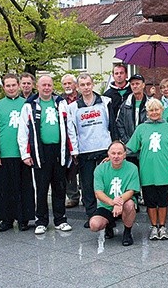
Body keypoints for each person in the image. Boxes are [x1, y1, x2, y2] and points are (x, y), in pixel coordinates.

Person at [17, 75, 76, 235]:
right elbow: (23, 131)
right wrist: (25, 154)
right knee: (41, 189)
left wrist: (74, 150)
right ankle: (41, 221)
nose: (47, 88)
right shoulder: (29, 105)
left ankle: (60, 220)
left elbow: (70, 126)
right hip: (39, 152)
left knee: (59, 187)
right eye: (43, 85)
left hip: (59, 151)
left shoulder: (61, 103)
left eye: (49, 85)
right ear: (38, 86)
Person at [126, 98, 168, 241]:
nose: (154, 112)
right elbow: (130, 147)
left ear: (162, 110)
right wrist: (116, 153)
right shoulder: (141, 128)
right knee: (151, 201)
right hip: (147, 171)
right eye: (151, 110)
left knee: (164, 201)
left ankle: (163, 226)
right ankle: (153, 227)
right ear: (147, 112)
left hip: (165, 170)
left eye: (157, 109)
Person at [67, 73, 115, 228]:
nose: (86, 87)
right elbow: (71, 130)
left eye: (88, 84)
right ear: (78, 87)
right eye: (82, 85)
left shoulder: (105, 102)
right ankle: (91, 214)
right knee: (87, 184)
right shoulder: (73, 107)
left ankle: (108, 213)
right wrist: (74, 150)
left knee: (106, 183)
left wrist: (113, 147)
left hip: (104, 148)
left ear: (93, 84)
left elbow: (112, 126)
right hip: (85, 151)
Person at [0, 74, 35, 232]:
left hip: (22, 154)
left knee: (24, 187)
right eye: (7, 86)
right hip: (4, 154)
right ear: (3, 87)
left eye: (13, 85)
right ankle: (6, 219)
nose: (11, 88)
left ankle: (24, 219)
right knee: (5, 188)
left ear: (19, 86)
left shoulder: (27, 104)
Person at [90, 141, 140, 246]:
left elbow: (131, 191)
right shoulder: (100, 169)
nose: (116, 156)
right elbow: (98, 193)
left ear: (125, 154)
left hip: (125, 201)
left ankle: (127, 232)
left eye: (119, 153)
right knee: (94, 225)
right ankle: (109, 225)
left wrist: (119, 202)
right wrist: (113, 203)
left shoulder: (132, 168)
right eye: (113, 153)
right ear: (108, 154)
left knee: (130, 204)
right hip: (107, 203)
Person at [61, 73, 81, 209]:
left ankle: (88, 196)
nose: (67, 86)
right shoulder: (60, 100)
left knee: (85, 169)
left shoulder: (83, 98)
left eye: (70, 83)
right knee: (70, 169)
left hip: (83, 136)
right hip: (67, 138)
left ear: (75, 85)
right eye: (65, 84)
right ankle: (73, 196)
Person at [115, 73, 149, 148]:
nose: (135, 86)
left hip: (146, 145)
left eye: (137, 83)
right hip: (129, 146)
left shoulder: (150, 104)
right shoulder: (125, 105)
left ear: (143, 85)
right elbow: (119, 124)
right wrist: (127, 142)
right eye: (132, 84)